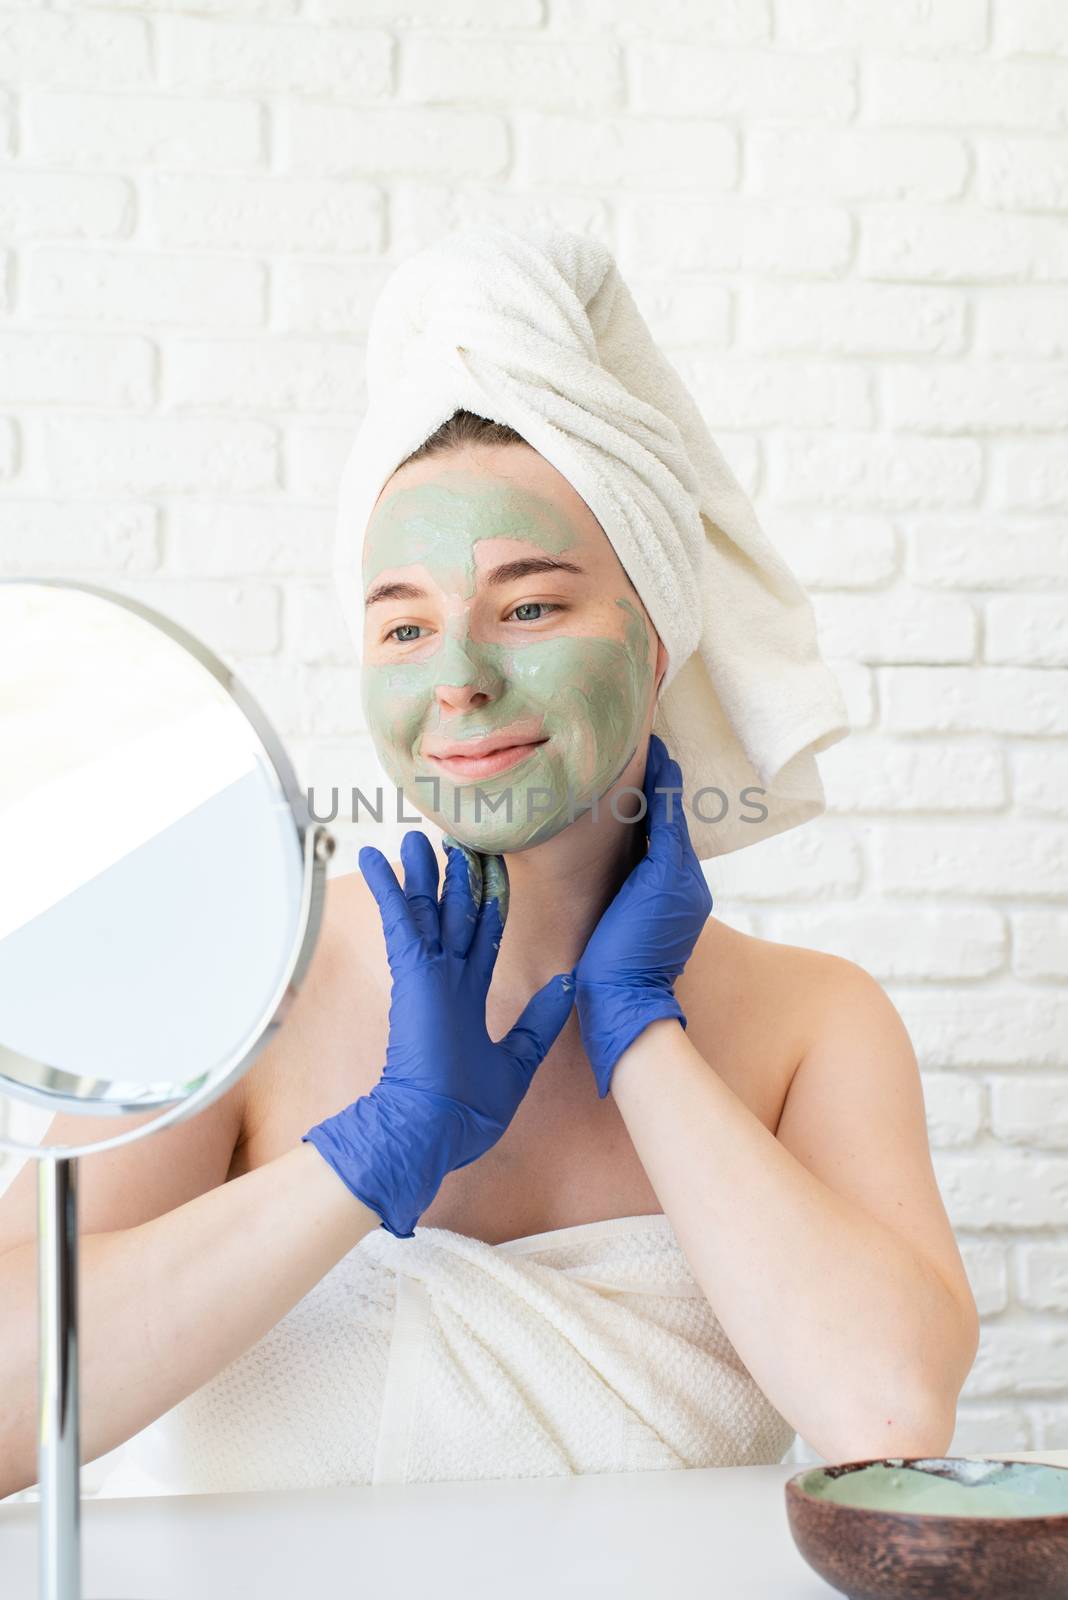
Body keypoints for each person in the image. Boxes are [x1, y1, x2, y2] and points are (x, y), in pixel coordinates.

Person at [0, 243, 980, 1500]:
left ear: (659, 631)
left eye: (529, 606)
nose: (456, 675)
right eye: (403, 623)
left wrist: (643, 1037)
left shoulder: (812, 1025)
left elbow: (889, 1413)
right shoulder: (240, 984)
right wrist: (363, 1158)